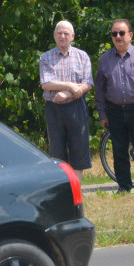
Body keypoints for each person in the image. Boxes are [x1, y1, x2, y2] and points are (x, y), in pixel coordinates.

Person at [94, 19, 134, 193]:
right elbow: (99, 90)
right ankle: (124, 187)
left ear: (130, 35)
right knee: (119, 152)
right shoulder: (105, 60)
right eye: (114, 33)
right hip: (114, 111)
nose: (118, 37)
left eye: (122, 33)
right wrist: (102, 114)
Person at [39, 20, 93, 181]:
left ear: (72, 36)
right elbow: (46, 84)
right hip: (54, 108)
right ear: (54, 35)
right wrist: (69, 85)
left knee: (79, 147)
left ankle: (76, 188)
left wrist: (67, 94)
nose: (62, 36)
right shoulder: (46, 57)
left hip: (76, 107)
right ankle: (63, 187)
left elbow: (87, 83)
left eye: (66, 33)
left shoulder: (82, 56)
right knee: (57, 149)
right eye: (59, 33)